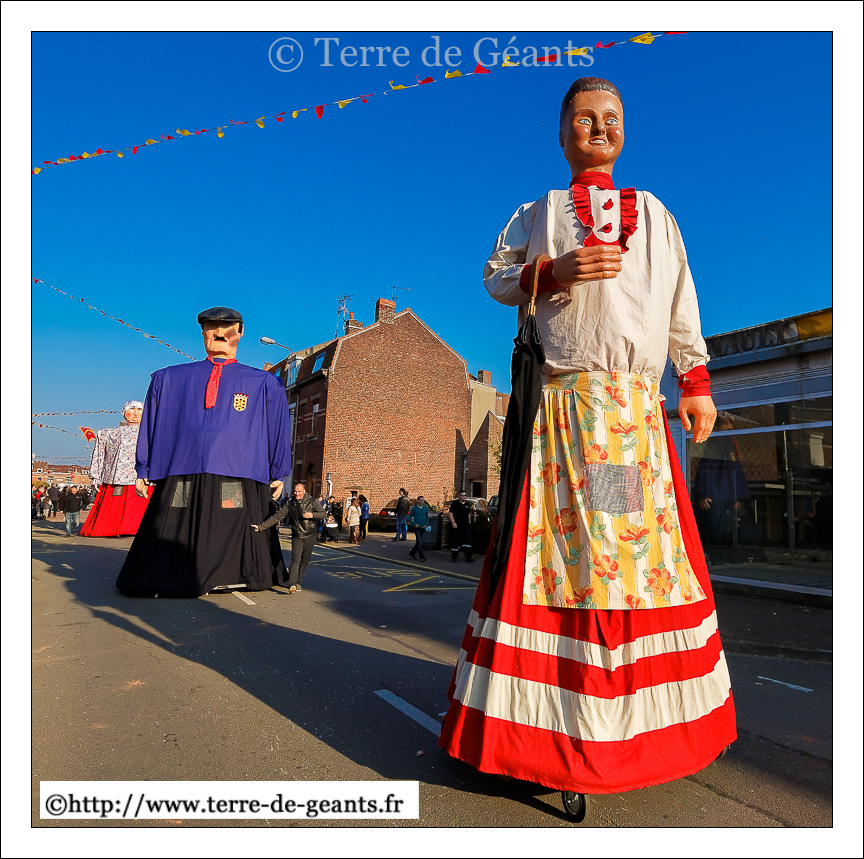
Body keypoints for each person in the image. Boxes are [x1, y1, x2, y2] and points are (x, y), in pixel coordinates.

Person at [439, 78, 736, 800]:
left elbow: (681, 303)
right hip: (562, 416)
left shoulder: (656, 214)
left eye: (611, 118)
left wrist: (695, 380)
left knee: (623, 562)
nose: (599, 128)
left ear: (624, 130)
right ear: (562, 133)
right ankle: (549, 738)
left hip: (631, 420)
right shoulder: (538, 212)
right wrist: (553, 271)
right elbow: (494, 278)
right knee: (561, 562)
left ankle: (626, 730)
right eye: (584, 118)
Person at [116, 306, 291, 597]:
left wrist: (278, 471)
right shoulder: (168, 378)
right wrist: (143, 467)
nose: (219, 332)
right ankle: (172, 572)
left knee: (234, 521)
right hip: (183, 466)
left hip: (240, 467)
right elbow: (151, 423)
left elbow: (277, 427)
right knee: (175, 521)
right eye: (211, 326)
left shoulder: (264, 383)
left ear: (241, 332)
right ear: (202, 333)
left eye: (227, 326)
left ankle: (233, 572)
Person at [81, 400, 154, 538]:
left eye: (139, 410)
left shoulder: (154, 433)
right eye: (132, 409)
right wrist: (95, 476)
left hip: (144, 477)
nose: (135, 413)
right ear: (124, 413)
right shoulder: (108, 433)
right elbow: (98, 455)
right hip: (115, 479)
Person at [252, 483, 324, 594]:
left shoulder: (312, 502)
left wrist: (312, 515)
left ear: (304, 491)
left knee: (305, 560)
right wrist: (261, 527)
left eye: (299, 491)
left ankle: (298, 581)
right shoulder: (290, 503)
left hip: (310, 534)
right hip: (297, 535)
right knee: (295, 559)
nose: (297, 494)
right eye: (295, 491)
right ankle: (292, 584)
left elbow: (323, 514)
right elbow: (277, 517)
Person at [447, 491, 474, 563]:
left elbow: (468, 514)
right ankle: (454, 557)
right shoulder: (455, 504)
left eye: (465, 495)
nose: (463, 497)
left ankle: (468, 557)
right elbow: (450, 513)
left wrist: (469, 522)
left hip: (466, 526)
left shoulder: (467, 504)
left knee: (467, 541)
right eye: (462, 495)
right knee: (456, 541)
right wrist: (453, 523)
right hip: (457, 526)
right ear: (459, 496)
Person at [407, 495, 429, 563]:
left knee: (418, 542)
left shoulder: (425, 508)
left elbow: (427, 517)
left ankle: (411, 554)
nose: (421, 501)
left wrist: (426, 524)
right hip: (417, 527)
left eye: (423, 500)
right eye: (420, 500)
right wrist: (414, 524)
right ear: (418, 501)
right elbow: (409, 518)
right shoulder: (414, 508)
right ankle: (422, 557)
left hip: (423, 527)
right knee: (419, 542)